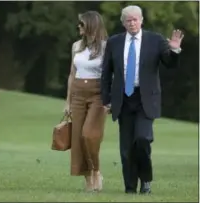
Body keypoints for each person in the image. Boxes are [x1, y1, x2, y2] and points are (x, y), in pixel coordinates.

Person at [101, 5, 184, 194]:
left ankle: (145, 180)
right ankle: (130, 188)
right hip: (123, 99)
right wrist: (106, 99)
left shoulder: (155, 40)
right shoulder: (114, 42)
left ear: (141, 20)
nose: (132, 23)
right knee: (126, 148)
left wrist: (175, 51)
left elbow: (170, 64)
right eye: (128, 20)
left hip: (145, 99)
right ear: (123, 23)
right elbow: (106, 73)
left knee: (142, 139)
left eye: (135, 19)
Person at [64, 11, 108, 192]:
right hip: (78, 93)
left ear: (91, 25)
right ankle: (88, 177)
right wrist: (68, 101)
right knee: (78, 138)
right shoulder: (76, 46)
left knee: (89, 135)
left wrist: (110, 99)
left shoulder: (106, 47)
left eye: (82, 24)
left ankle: (96, 171)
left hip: (98, 94)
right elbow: (72, 74)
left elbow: (111, 74)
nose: (79, 27)